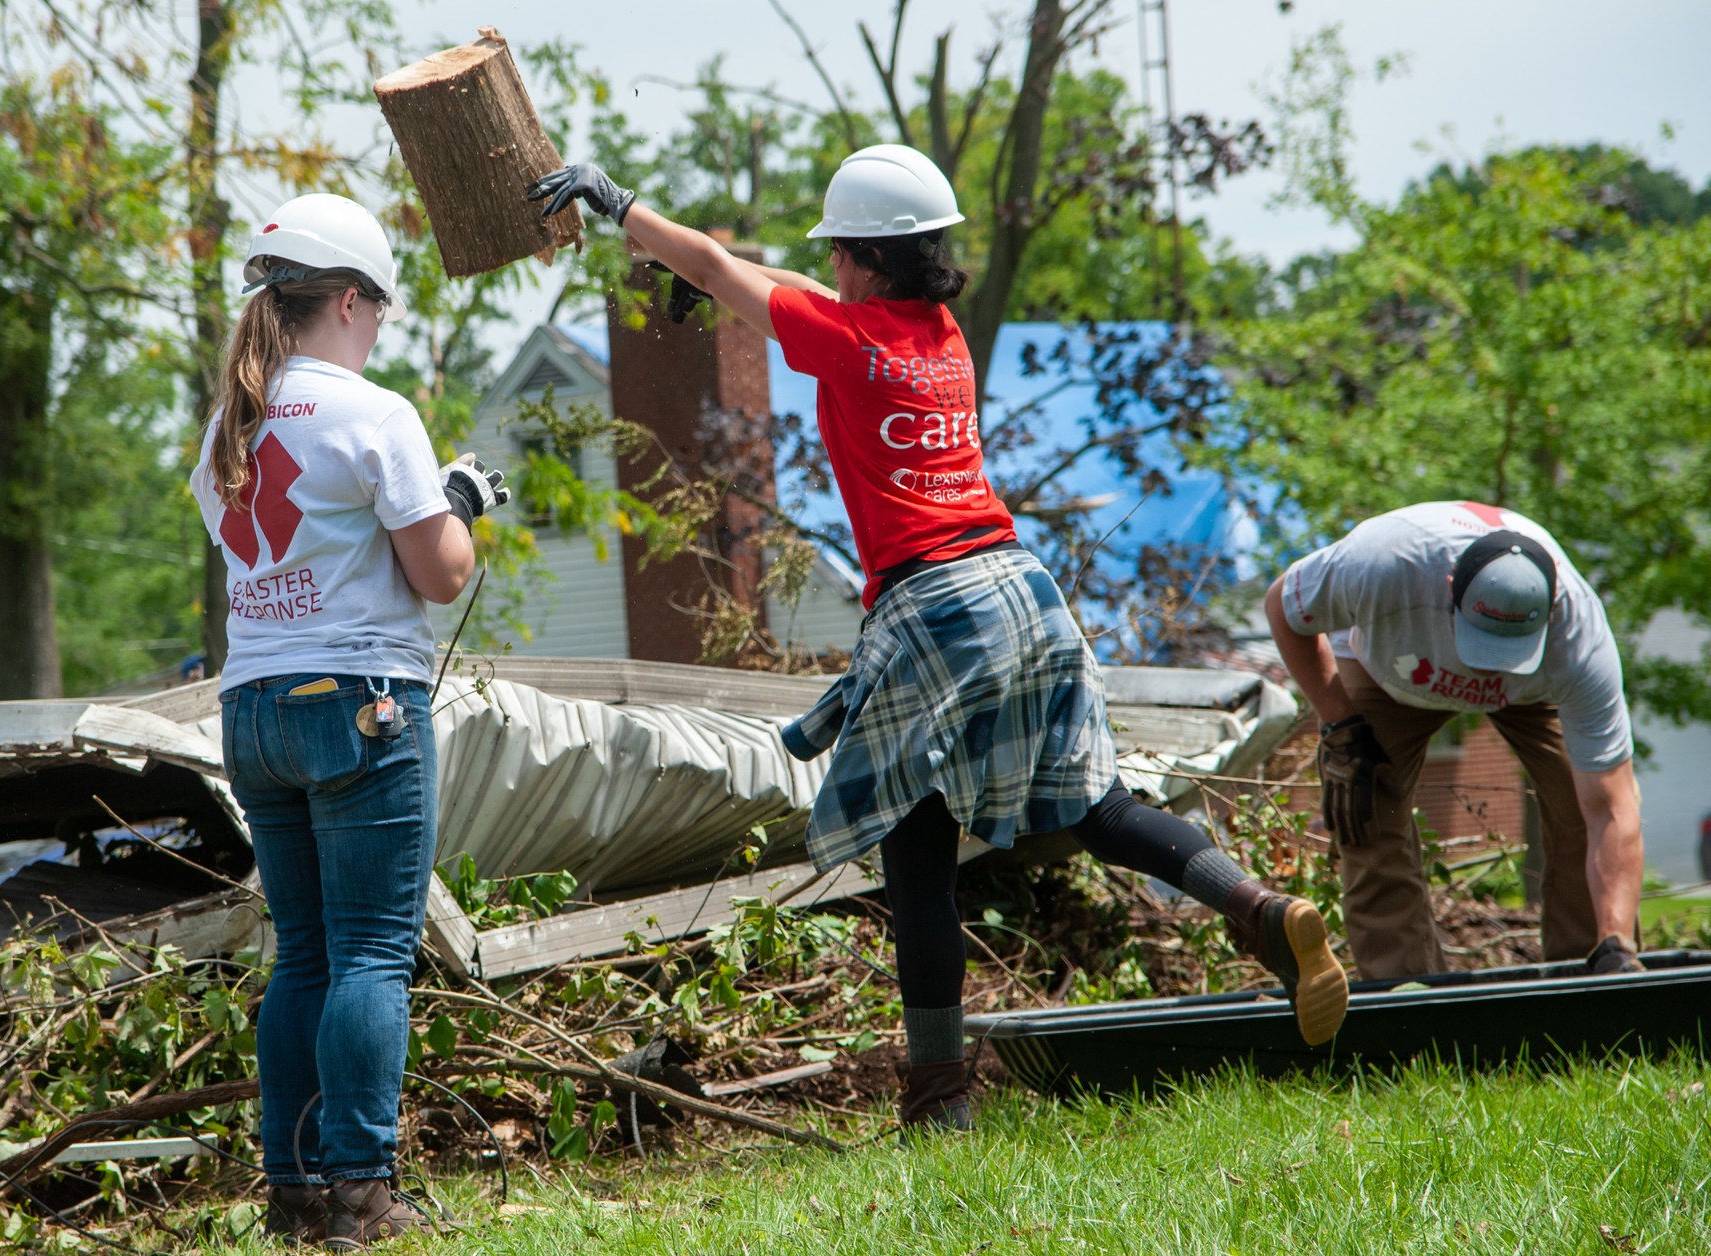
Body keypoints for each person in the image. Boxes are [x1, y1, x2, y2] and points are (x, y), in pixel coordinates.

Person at [529, 146, 1348, 1134]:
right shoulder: (941, 334)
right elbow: (779, 288)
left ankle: (940, 1096)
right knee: (1093, 802)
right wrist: (710, 269)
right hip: (1026, 589)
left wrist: (624, 208)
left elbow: (715, 268)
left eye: (839, 254)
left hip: (934, 603)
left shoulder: (846, 341)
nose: (828, 269)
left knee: (915, 851)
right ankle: (1258, 908)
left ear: (867, 258)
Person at [190, 192, 509, 1249]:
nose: (379, 325)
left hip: (253, 705)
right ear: (348, 300)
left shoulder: (227, 424)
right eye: (378, 305)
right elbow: (440, 572)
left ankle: (291, 1190)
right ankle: (363, 1195)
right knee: (374, 953)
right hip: (362, 703)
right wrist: (459, 496)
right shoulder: (375, 415)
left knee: (306, 956)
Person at [1264, 500, 1646, 981]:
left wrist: (1617, 940)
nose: (1487, 668)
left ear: (1550, 612)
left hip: (1532, 690)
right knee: (1366, 808)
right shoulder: (1380, 563)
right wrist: (1340, 724)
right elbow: (1282, 604)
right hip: (1392, 669)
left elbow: (1612, 809)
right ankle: (1407, 996)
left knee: (1578, 801)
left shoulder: (1580, 636)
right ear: (1449, 590)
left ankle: (1593, 978)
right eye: (1482, 640)